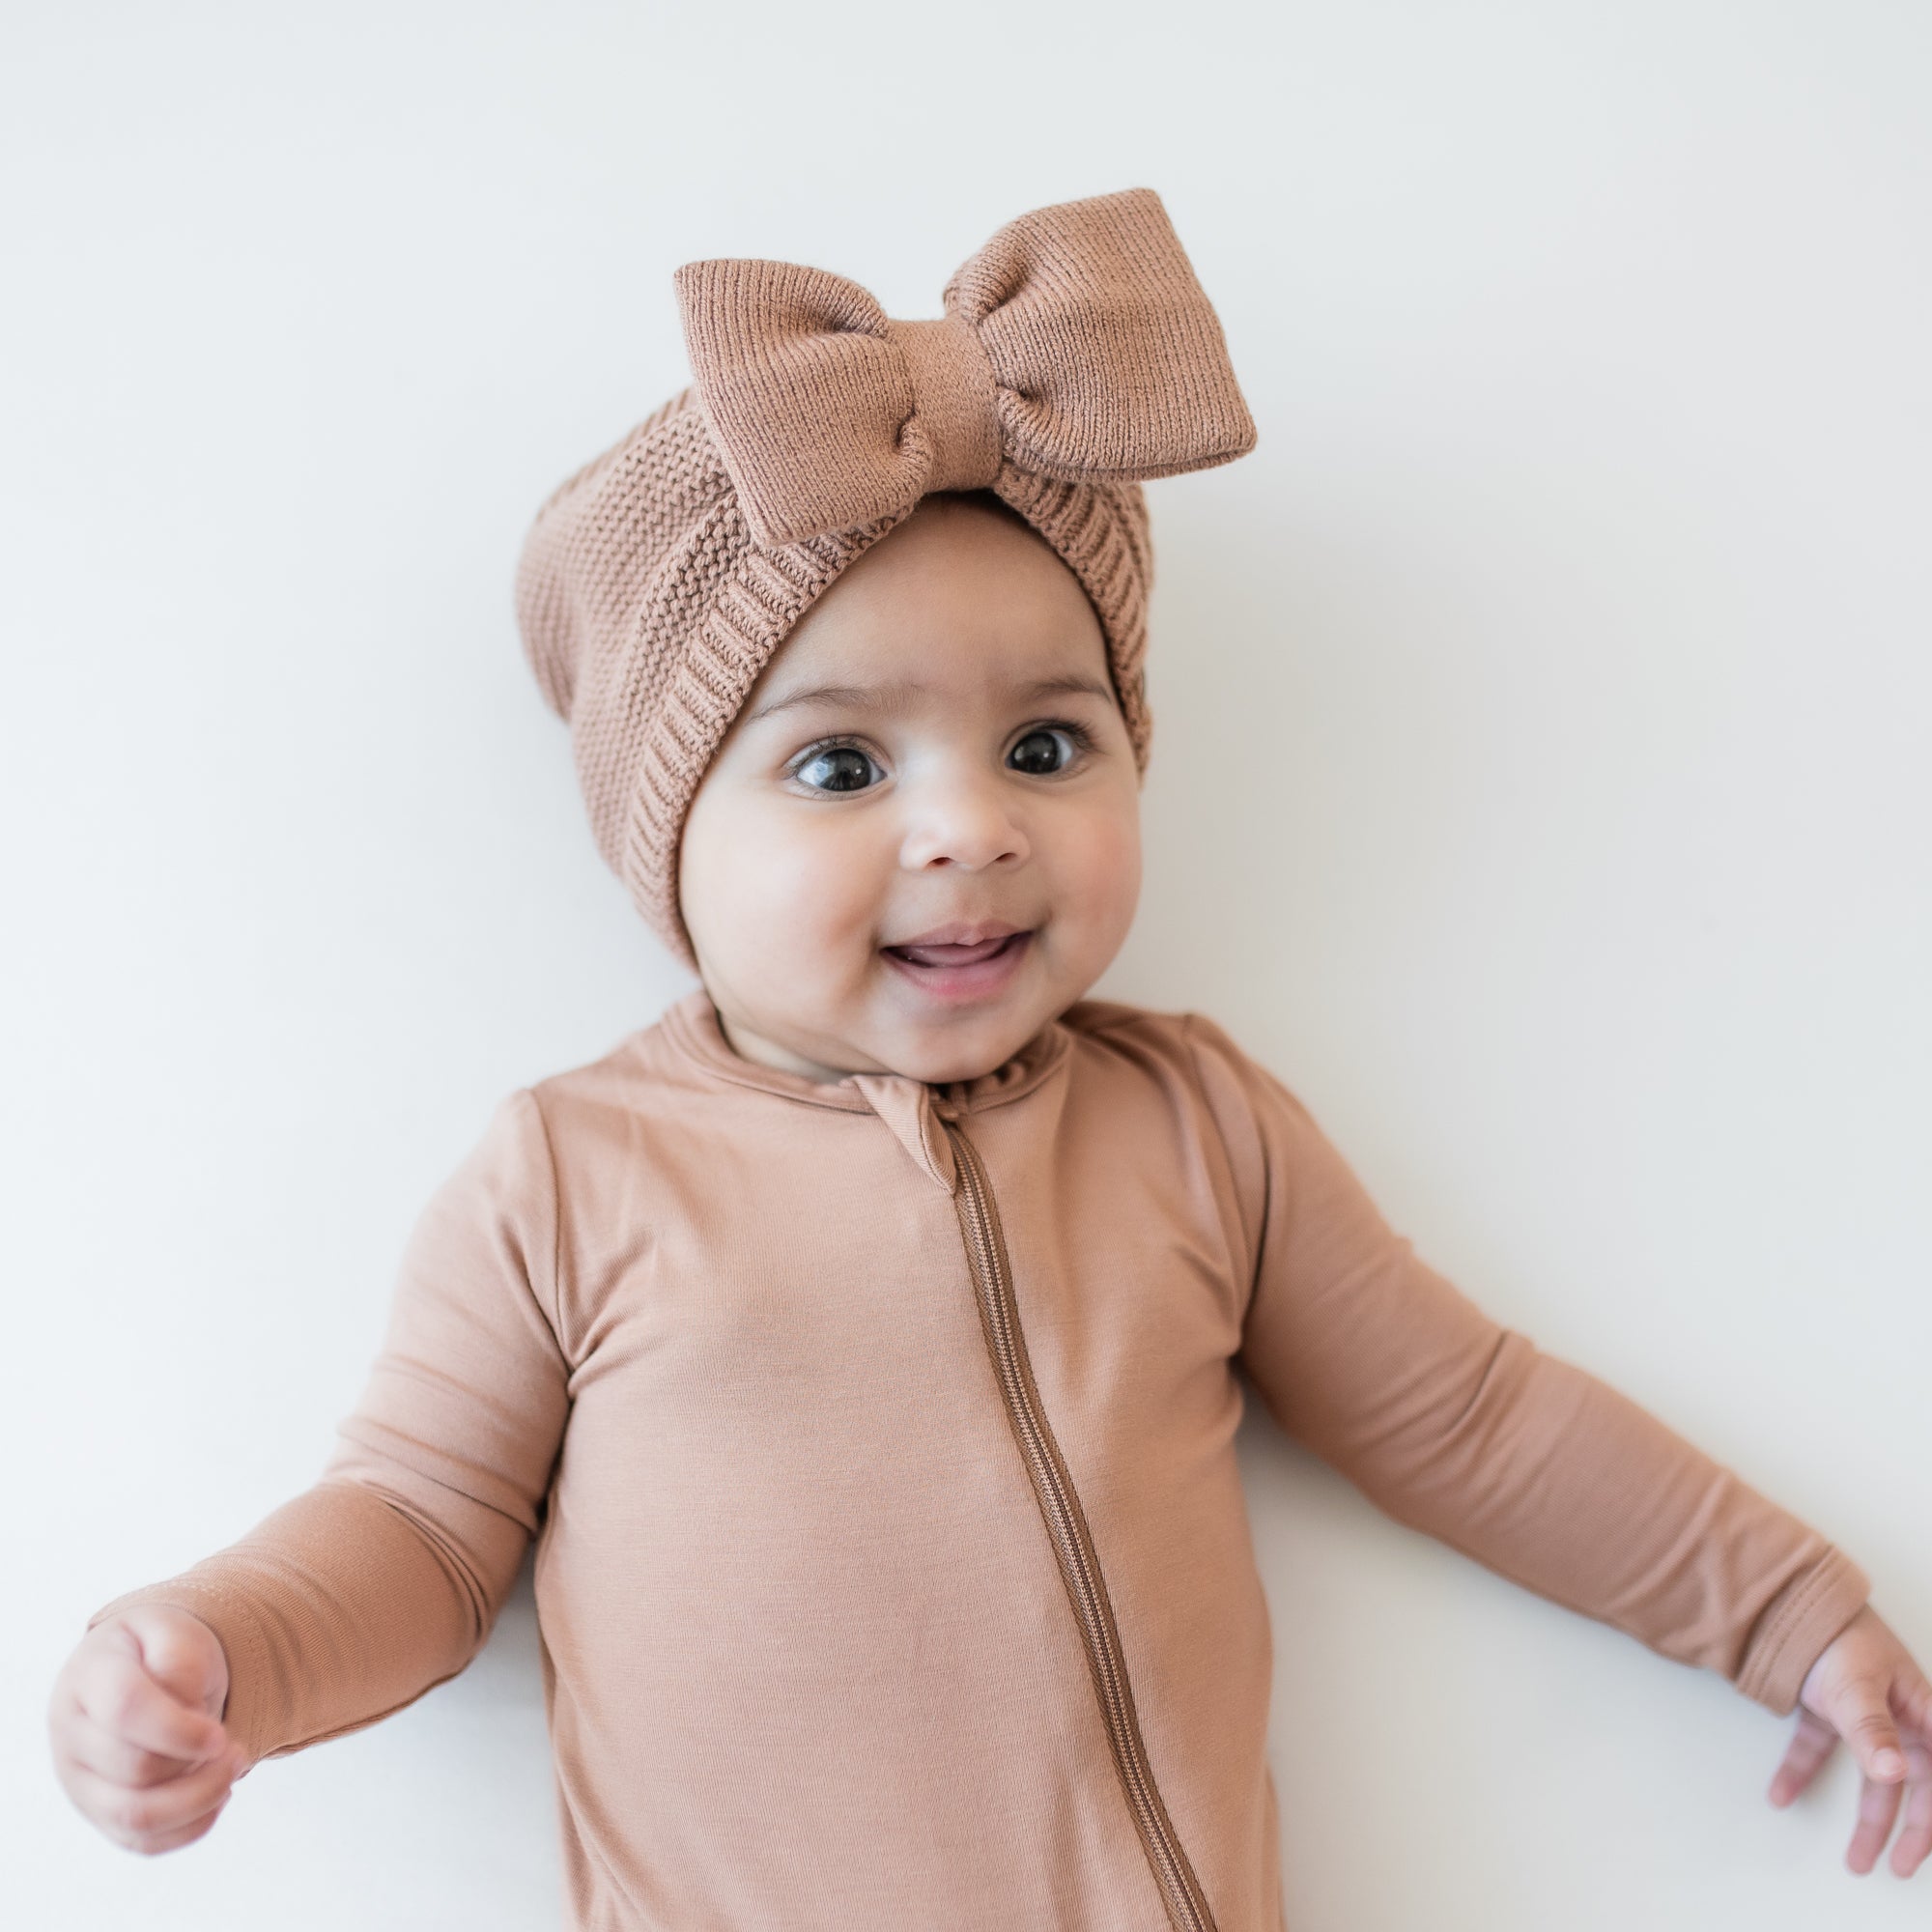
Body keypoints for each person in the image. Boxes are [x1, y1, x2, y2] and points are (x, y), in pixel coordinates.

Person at [46, 187, 1931, 1926]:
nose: (968, 825)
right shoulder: (578, 1176)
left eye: (1044, 743)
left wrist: (1781, 1604)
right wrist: (228, 1651)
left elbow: (1472, 1419)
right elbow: (418, 1529)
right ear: (666, 839)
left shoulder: (1198, 1127)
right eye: (841, 765)